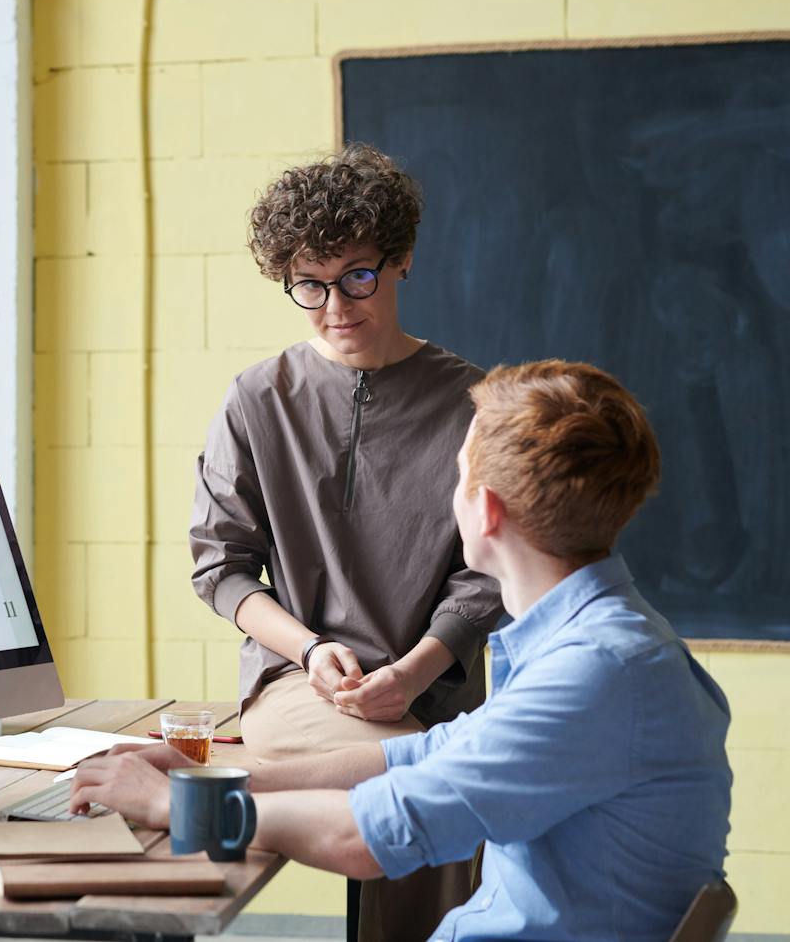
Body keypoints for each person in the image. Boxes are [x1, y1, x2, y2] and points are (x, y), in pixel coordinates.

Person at [75, 360, 732, 942]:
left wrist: (171, 806)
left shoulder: (594, 674)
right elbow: (415, 753)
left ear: (488, 512)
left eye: (457, 474)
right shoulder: (598, 643)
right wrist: (210, 772)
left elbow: (362, 837)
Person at [191, 143, 501, 937]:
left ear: (400, 261)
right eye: (310, 286)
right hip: (302, 680)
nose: (336, 306)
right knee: (423, 795)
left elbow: (487, 575)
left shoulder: (471, 403)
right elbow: (222, 567)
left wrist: (417, 666)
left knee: (445, 805)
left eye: (358, 276)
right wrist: (307, 650)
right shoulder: (258, 398)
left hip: (436, 682)